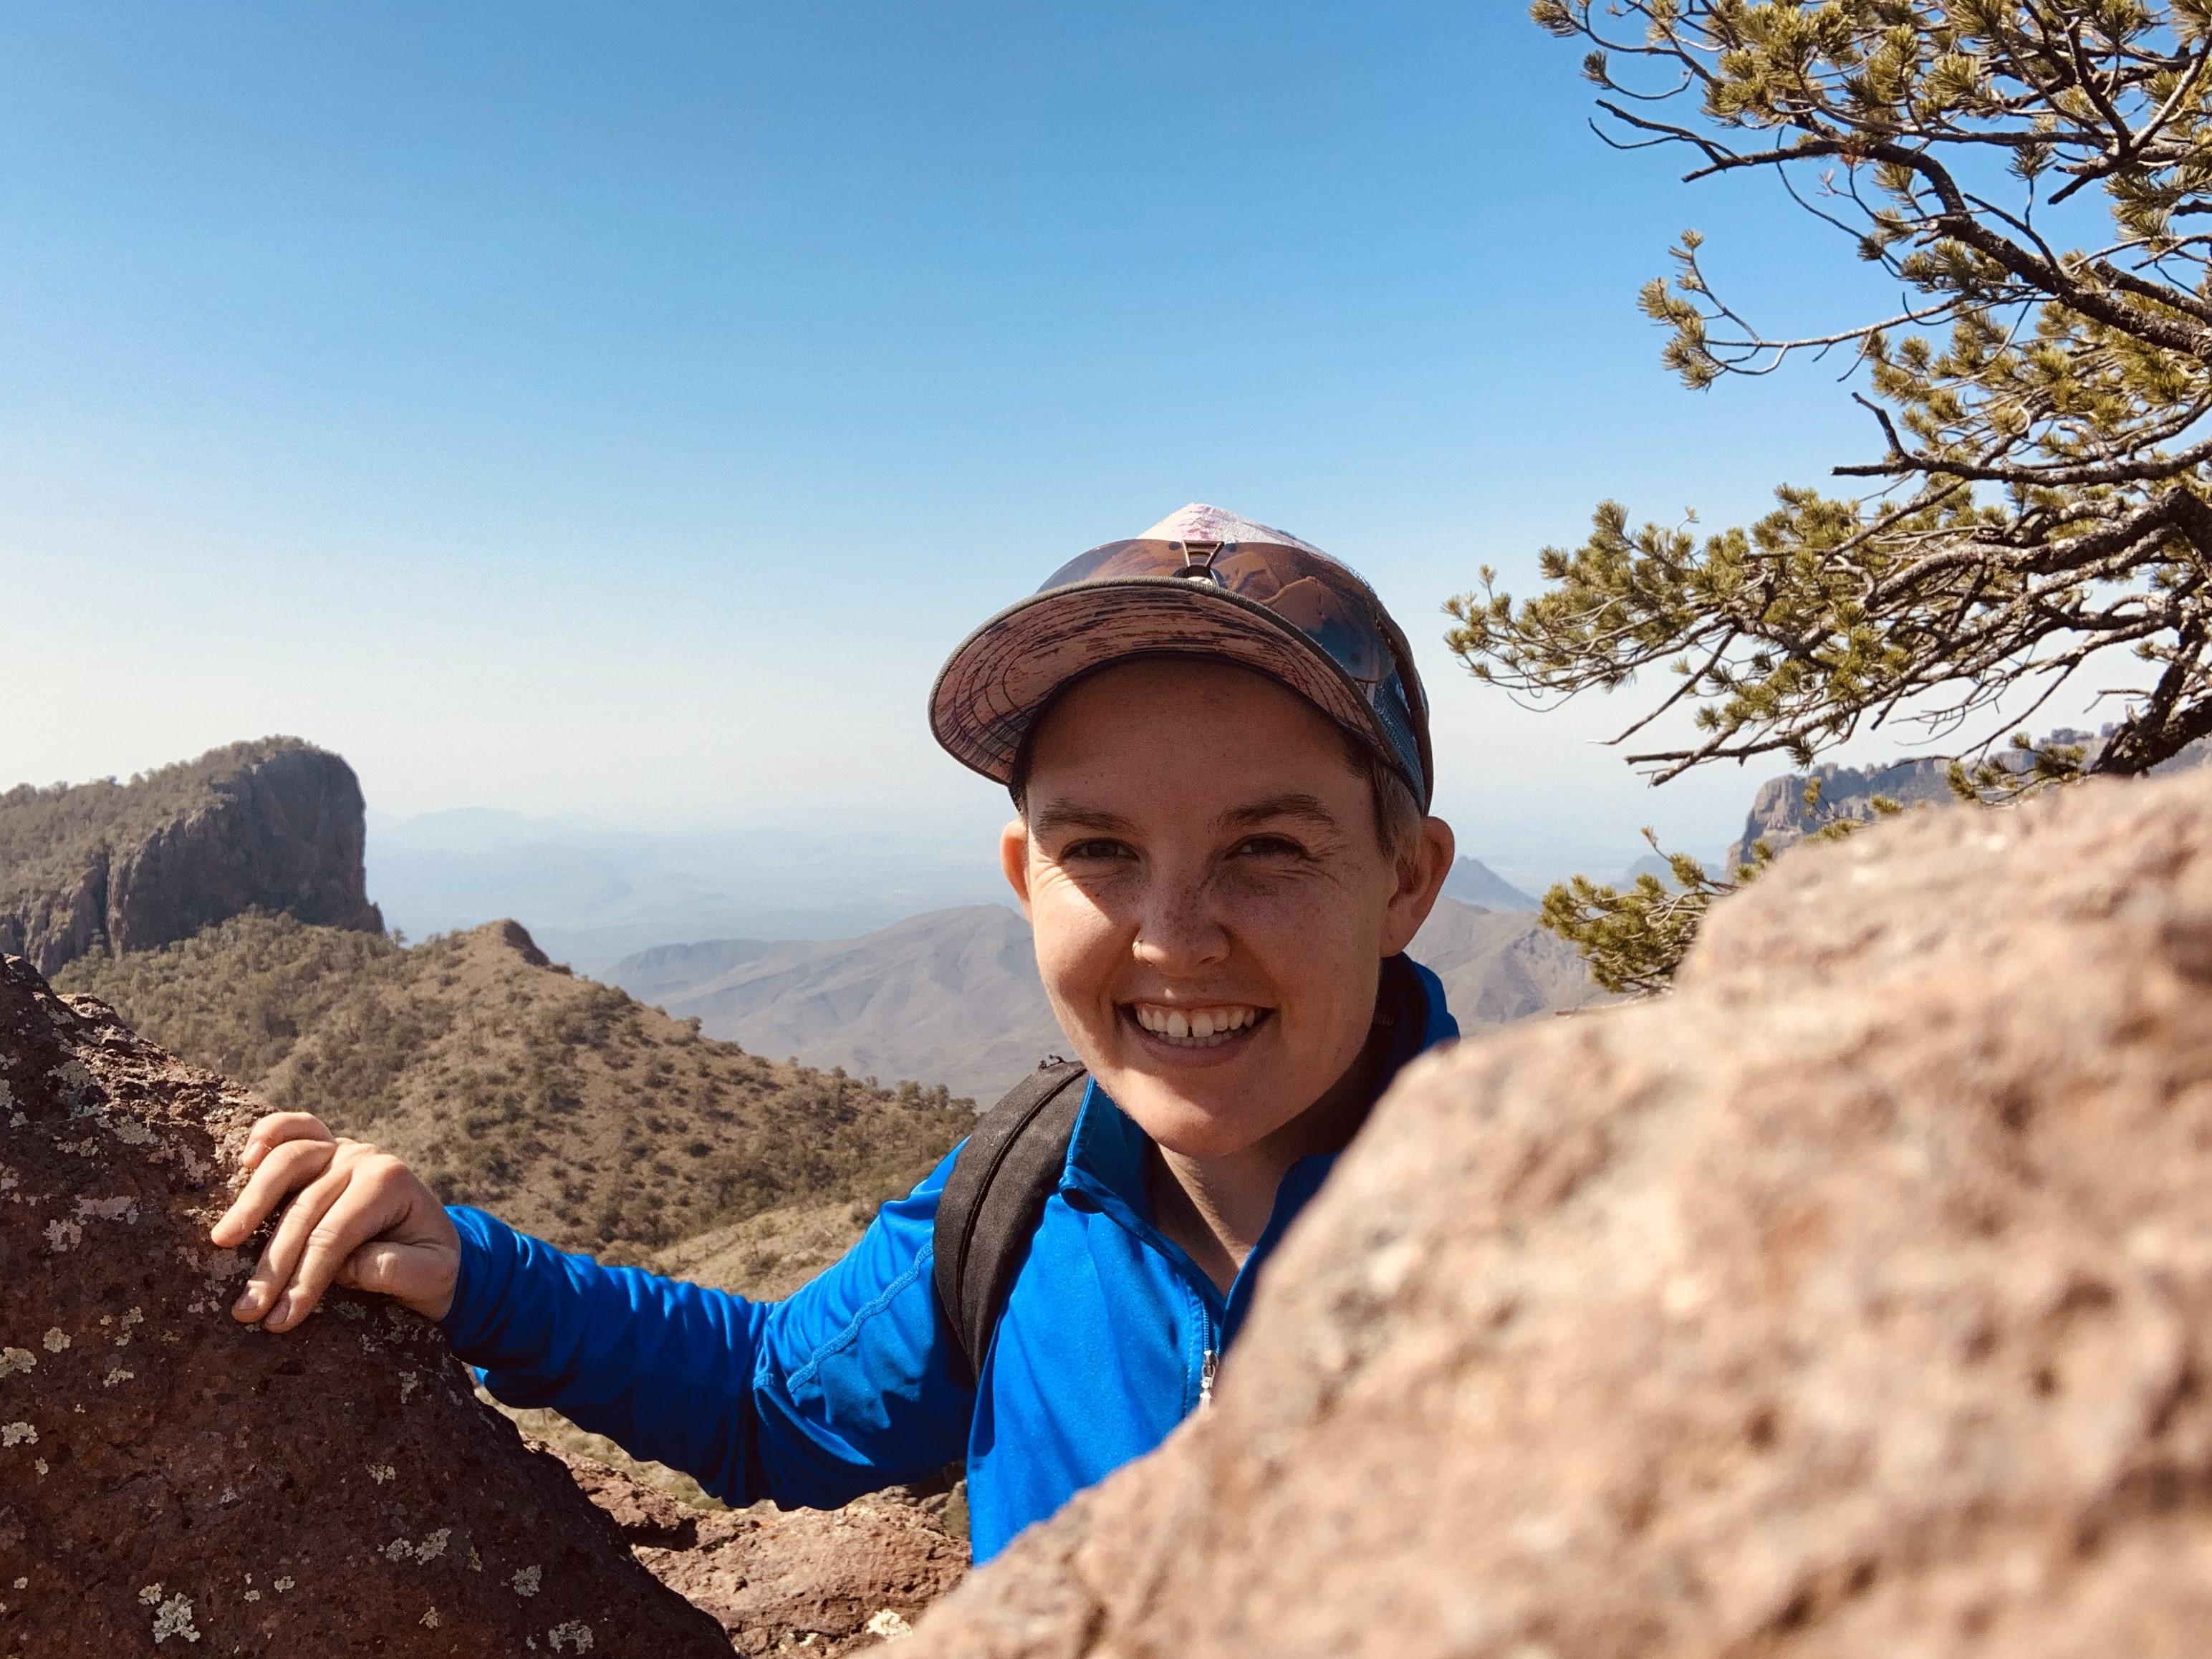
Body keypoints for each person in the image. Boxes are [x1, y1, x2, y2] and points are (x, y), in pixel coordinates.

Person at [211, 503, 1461, 1563]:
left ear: (1406, 881)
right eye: (1102, 850)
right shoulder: (1022, 1203)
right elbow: (773, 1404)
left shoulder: (1575, 1244)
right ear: (1029, 878)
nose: (1175, 938)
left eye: (1269, 848)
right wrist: (471, 1271)